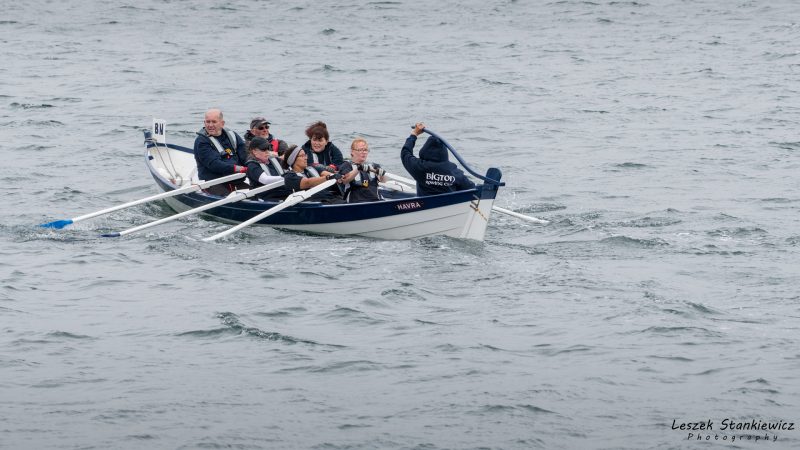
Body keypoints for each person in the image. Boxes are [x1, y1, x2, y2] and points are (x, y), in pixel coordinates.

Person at [400, 122, 475, 196]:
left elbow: (405, 153)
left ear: (424, 150)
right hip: (448, 203)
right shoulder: (454, 171)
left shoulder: (419, 167)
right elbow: (471, 188)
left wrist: (414, 134)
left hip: (424, 203)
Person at [193, 108, 249, 196]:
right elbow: (214, 164)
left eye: (214, 122)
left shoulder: (232, 135)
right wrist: (238, 168)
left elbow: (245, 156)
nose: (210, 125)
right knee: (230, 199)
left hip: (235, 180)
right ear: (204, 123)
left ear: (222, 123)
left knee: (256, 195)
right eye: (208, 122)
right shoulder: (201, 141)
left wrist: (251, 166)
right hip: (213, 183)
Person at [338, 138, 386, 203]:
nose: (364, 152)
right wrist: (358, 169)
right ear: (352, 152)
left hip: (376, 201)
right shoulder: (346, 165)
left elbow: (383, 182)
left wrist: (382, 175)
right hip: (356, 203)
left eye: (365, 150)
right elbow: (344, 180)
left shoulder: (374, 166)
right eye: (360, 150)